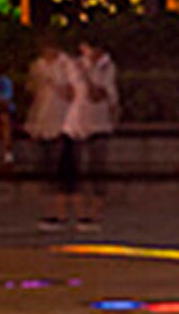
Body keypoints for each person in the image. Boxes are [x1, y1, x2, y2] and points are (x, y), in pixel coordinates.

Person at [62, 39, 120, 230]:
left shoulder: (107, 67)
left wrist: (86, 76)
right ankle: (79, 214)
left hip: (99, 124)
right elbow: (69, 92)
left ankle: (94, 215)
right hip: (76, 125)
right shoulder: (74, 65)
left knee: (97, 169)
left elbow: (97, 95)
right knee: (75, 170)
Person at [24, 37, 77, 232]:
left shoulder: (67, 65)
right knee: (45, 169)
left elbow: (73, 93)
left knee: (62, 169)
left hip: (63, 123)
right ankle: (49, 212)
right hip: (42, 122)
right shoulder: (38, 66)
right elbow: (31, 90)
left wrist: (56, 84)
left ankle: (62, 213)